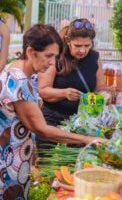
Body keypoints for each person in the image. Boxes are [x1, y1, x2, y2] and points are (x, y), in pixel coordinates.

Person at [0, 24, 104, 199]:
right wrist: (88, 139)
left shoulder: (22, 71)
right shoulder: (18, 80)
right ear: (31, 52)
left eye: (55, 57)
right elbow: (42, 129)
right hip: (8, 164)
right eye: (48, 56)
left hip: (16, 158)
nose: (51, 63)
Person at [38, 18, 103, 127]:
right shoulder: (56, 56)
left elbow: (100, 89)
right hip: (54, 120)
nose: (83, 51)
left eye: (87, 45)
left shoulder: (94, 58)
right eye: (77, 46)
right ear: (68, 41)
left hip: (83, 123)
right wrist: (64, 93)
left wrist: (102, 97)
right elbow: (43, 90)